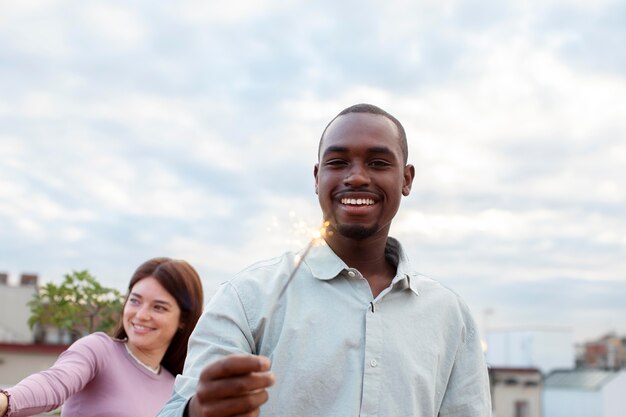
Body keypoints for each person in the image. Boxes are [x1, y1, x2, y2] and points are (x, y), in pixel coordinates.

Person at [157, 103, 491, 417]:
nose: (357, 177)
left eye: (378, 162)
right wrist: (197, 410)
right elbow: (175, 409)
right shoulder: (247, 298)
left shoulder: (450, 316)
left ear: (406, 179)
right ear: (317, 177)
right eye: (338, 162)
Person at [0, 257, 204, 417]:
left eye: (158, 307)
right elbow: (54, 383)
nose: (141, 315)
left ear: (183, 320)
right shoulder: (99, 350)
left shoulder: (176, 388)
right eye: (135, 301)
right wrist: (6, 400)